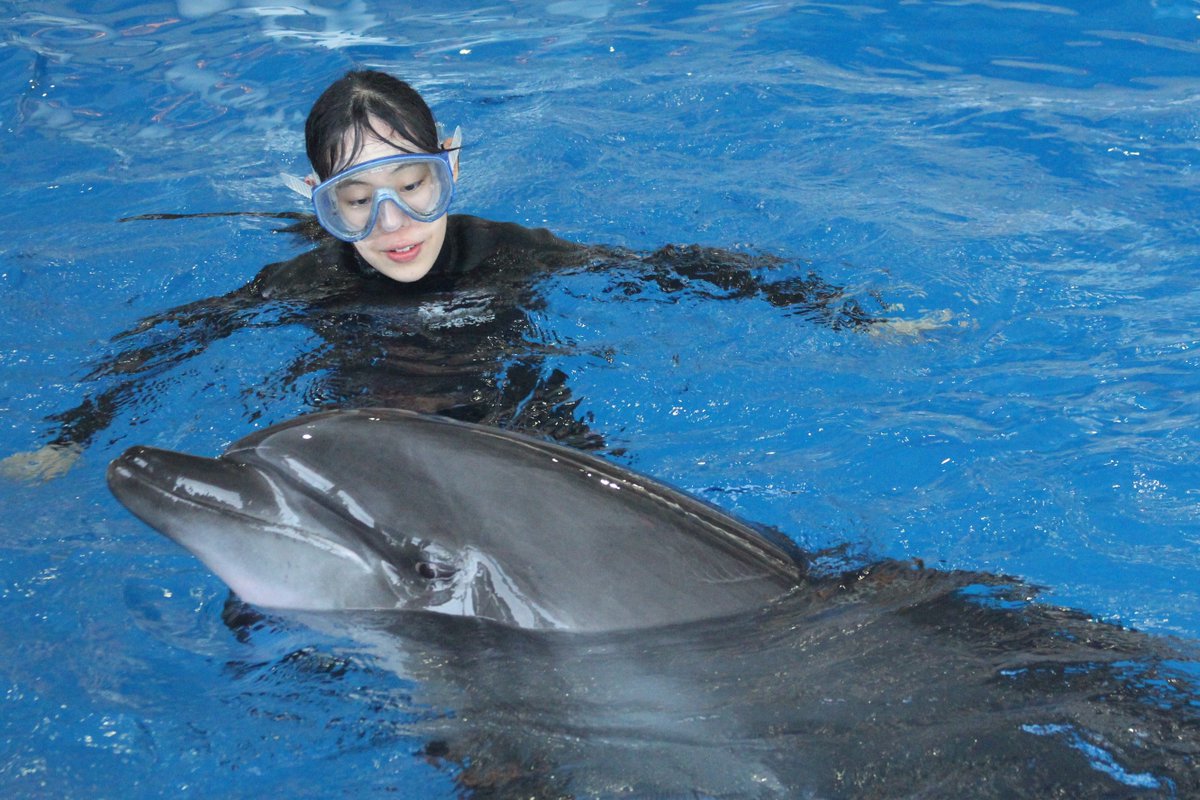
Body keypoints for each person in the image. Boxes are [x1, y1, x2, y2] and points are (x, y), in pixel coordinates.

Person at [2, 70, 884, 481]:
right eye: (357, 202)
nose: (392, 228)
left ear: (450, 167)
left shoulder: (504, 250)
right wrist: (69, 437)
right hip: (372, 428)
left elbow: (675, 269)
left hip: (517, 410)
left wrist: (849, 315)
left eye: (414, 188)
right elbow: (175, 340)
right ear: (317, 203)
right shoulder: (308, 283)